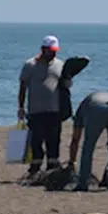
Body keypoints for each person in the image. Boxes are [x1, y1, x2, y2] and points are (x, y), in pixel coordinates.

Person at [17, 35, 68, 174]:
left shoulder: (60, 65)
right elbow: (23, 87)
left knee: (54, 141)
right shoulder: (30, 65)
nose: (53, 53)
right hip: (35, 111)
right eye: (50, 50)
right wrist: (21, 107)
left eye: (55, 50)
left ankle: (52, 168)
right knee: (36, 141)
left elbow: (65, 87)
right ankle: (35, 168)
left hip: (54, 111)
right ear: (43, 49)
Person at [67, 91, 108, 191]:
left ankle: (83, 183)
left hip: (96, 108)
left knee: (88, 147)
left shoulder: (81, 110)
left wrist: (72, 161)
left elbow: (75, 140)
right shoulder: (107, 96)